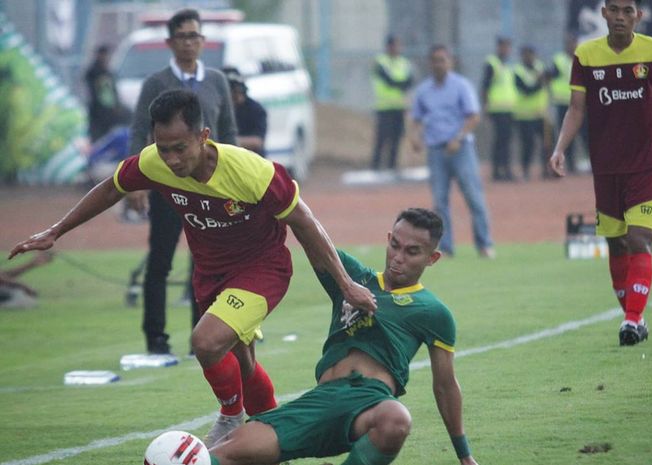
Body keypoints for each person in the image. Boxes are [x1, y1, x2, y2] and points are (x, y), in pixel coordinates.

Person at [8, 89, 376, 446]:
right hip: (210, 273)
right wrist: (56, 231)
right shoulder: (154, 161)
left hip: (261, 268)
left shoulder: (251, 171)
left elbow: (305, 221)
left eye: (180, 148)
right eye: (163, 148)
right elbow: (110, 189)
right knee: (242, 363)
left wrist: (344, 285)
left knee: (205, 341)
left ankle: (230, 415)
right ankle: (276, 443)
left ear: (203, 136)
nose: (170, 159)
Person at [207, 208, 479, 465]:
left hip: (368, 402)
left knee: (396, 419)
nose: (398, 257)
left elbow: (445, 385)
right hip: (318, 402)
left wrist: (463, 454)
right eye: (395, 245)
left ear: (432, 258)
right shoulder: (352, 277)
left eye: (412, 252)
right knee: (220, 454)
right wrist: (278, 196)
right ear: (388, 239)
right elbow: (310, 234)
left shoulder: (433, 311)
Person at [549, 0, 652, 346]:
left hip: (646, 164)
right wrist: (560, 148)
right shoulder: (586, 55)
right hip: (607, 168)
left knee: (640, 239)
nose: (620, 17)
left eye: (628, 10)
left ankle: (629, 321)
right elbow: (576, 108)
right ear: (603, 14)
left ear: (639, 16)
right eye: (613, 9)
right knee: (616, 245)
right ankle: (636, 318)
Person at [127, 8, 238, 356]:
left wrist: (234, 181)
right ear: (170, 42)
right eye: (183, 36)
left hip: (210, 188)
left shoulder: (217, 81)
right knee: (160, 260)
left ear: (203, 41)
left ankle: (200, 337)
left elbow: (229, 133)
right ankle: (155, 340)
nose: (190, 43)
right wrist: (135, 183)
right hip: (167, 187)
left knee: (207, 263)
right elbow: (138, 133)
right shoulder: (156, 84)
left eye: (195, 36)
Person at [410, 44, 495, 259]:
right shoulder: (424, 91)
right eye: (435, 60)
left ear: (450, 62)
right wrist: (416, 136)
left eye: (442, 60)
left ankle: (484, 244)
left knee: (473, 196)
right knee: (439, 202)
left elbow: (473, 116)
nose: (438, 64)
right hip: (436, 151)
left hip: (461, 149)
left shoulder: (461, 86)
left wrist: (458, 137)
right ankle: (446, 248)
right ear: (430, 63)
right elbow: (417, 118)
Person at [370, 35, 414, 171]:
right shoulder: (380, 62)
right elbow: (388, 80)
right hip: (384, 107)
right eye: (395, 45)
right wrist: (400, 84)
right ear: (388, 47)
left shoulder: (404, 63)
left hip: (399, 107)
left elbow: (410, 81)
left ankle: (391, 167)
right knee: (382, 139)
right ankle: (375, 167)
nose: (397, 49)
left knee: (396, 138)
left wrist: (399, 84)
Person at [548, 33, 588, 174]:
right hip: (562, 103)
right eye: (570, 43)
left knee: (585, 134)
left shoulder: (582, 59)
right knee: (566, 134)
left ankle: (589, 161)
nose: (572, 46)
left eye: (574, 43)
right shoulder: (559, 60)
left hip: (581, 103)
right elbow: (550, 76)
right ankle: (569, 164)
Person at [480, 36, 517, 182]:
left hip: (509, 109)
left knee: (507, 141)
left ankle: (506, 169)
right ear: (498, 47)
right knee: (500, 141)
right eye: (503, 46)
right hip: (497, 109)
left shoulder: (507, 65)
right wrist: (486, 107)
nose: (506, 49)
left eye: (508, 47)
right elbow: (484, 87)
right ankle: (497, 171)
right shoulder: (492, 63)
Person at [514, 44, 552, 180]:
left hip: (541, 114)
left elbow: (550, 77)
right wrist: (540, 82)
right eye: (526, 54)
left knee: (547, 144)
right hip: (525, 115)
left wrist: (545, 79)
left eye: (531, 54)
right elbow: (526, 90)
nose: (529, 57)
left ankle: (547, 170)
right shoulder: (518, 71)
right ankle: (525, 170)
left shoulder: (540, 67)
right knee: (528, 145)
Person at [84, 44, 128, 142]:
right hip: (98, 112)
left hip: (110, 111)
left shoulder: (108, 72)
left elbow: (113, 92)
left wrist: (116, 105)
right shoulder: (93, 72)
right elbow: (95, 93)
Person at [222, 67, 267, 156]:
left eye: (240, 91)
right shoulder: (218, 109)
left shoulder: (255, 109)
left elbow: (257, 142)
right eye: (233, 92)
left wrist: (227, 141)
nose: (238, 97)